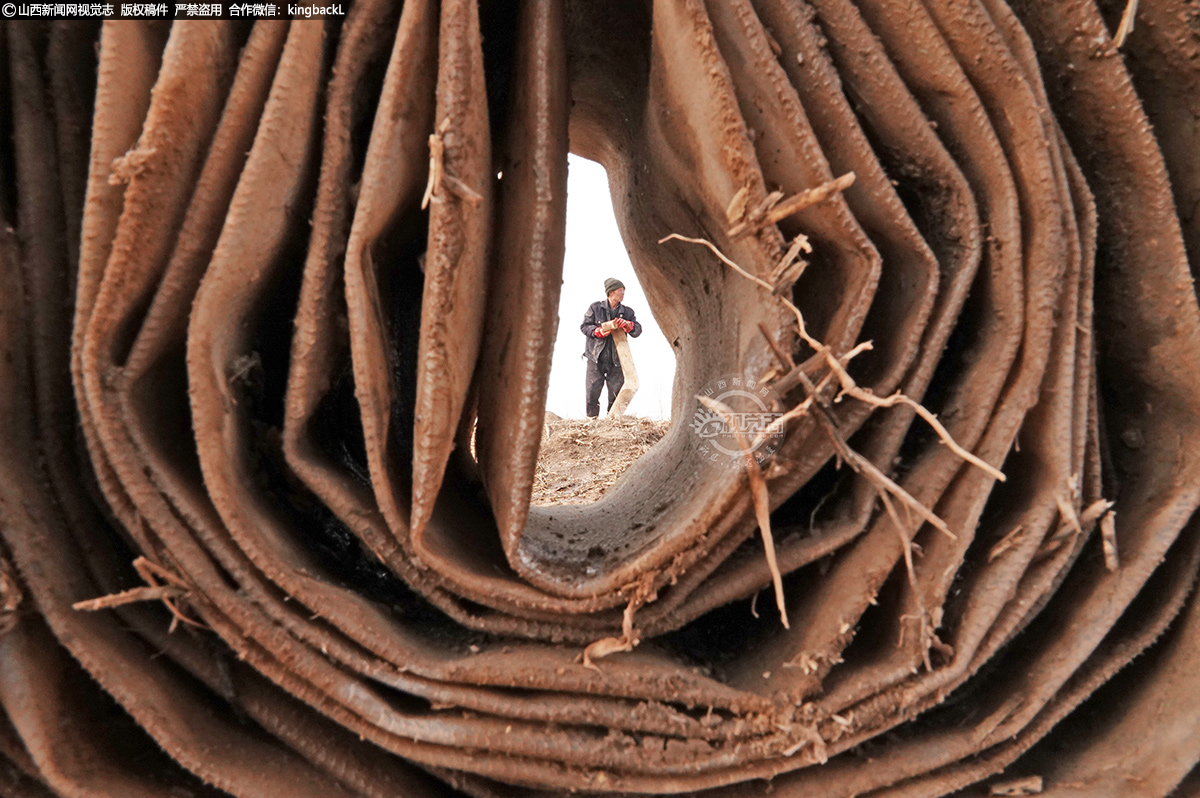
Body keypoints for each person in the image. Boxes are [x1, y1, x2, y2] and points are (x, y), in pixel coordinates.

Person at [581, 277, 643, 417]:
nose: (623, 293)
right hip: (596, 358)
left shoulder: (628, 312)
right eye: (620, 290)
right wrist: (598, 331)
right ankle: (592, 423)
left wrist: (629, 325)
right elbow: (584, 327)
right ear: (611, 292)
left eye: (623, 290)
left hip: (617, 361)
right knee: (592, 394)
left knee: (615, 395)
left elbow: (638, 330)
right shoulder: (595, 308)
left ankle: (612, 424)